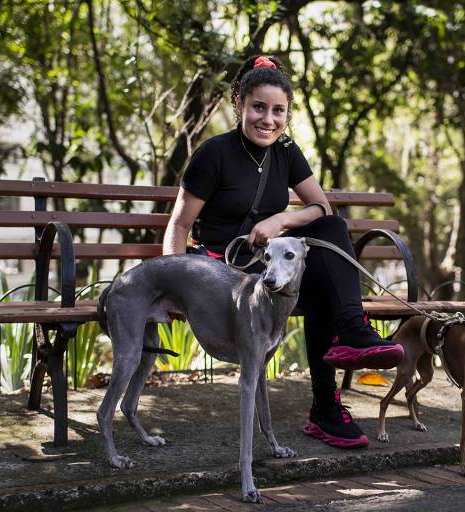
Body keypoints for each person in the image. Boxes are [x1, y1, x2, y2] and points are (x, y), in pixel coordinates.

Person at [163, 55, 404, 448]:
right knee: (321, 277)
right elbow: (179, 225)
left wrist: (280, 220)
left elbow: (321, 208)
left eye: (278, 111)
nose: (268, 120)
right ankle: (330, 396)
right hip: (227, 277)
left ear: (287, 114)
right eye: (258, 107)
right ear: (239, 104)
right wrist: (175, 288)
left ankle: (344, 351)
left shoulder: (287, 151)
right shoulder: (214, 153)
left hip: (270, 273)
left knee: (330, 235)